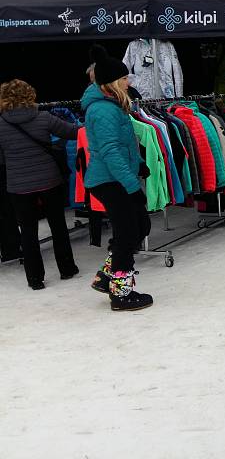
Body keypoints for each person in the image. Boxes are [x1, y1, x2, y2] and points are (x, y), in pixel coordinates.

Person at [82, 45, 153, 310]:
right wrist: (133, 187)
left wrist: (141, 164)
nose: (128, 81)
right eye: (124, 78)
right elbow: (111, 152)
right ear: (112, 82)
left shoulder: (112, 105)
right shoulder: (103, 111)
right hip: (109, 180)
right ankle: (121, 294)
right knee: (128, 232)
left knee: (139, 226)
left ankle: (106, 277)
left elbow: (125, 144)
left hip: (116, 177)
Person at [0, 79, 80, 289]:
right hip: (49, 180)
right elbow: (74, 132)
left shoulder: (1, 125)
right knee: (58, 226)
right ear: (30, 95)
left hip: (18, 185)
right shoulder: (44, 118)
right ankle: (67, 269)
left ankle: (35, 279)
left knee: (27, 231)